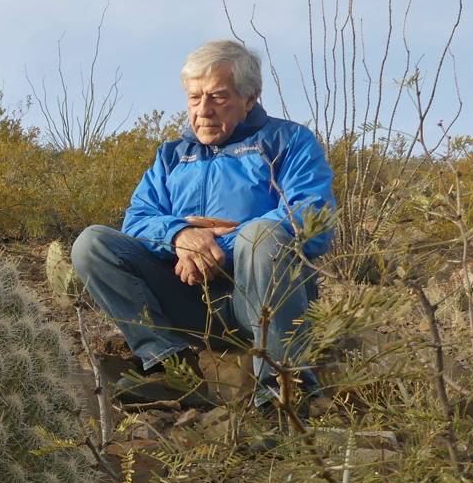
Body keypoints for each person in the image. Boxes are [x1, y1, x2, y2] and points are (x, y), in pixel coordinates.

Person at [71, 39, 335, 420]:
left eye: (218, 97)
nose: (203, 110)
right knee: (92, 244)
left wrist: (222, 245)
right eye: (194, 98)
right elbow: (138, 221)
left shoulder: (289, 142)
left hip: (261, 302)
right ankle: (172, 370)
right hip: (191, 299)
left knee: (261, 236)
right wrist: (180, 236)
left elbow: (311, 217)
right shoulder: (172, 156)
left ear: (250, 97)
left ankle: (281, 399)